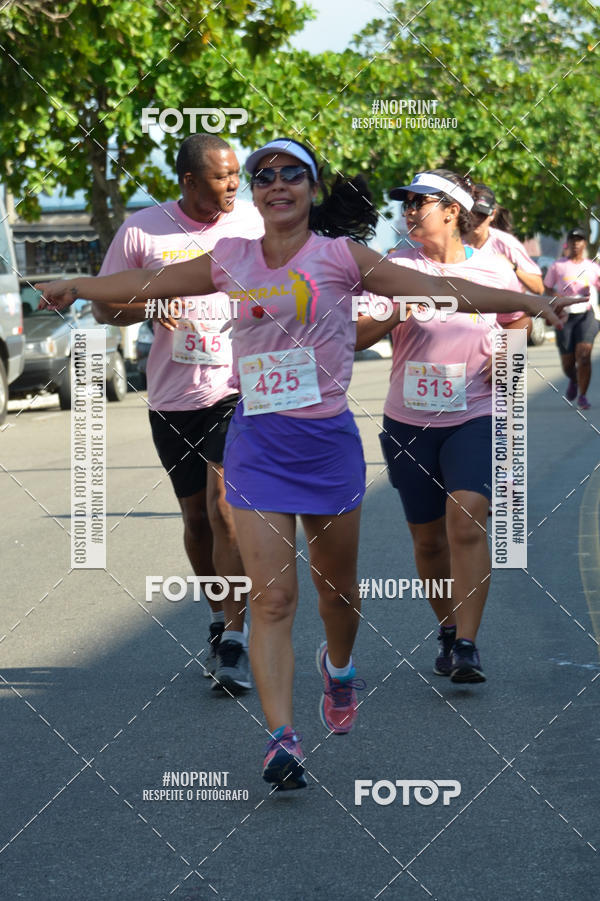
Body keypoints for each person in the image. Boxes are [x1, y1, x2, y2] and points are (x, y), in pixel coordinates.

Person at [37, 141, 570, 791]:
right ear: (257, 194)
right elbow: (146, 284)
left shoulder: (342, 257)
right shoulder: (231, 257)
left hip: (327, 447)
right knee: (275, 596)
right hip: (257, 444)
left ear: (313, 190)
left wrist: (527, 302)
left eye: (293, 174)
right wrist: (79, 285)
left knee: (336, 595)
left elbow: (439, 287)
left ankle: (339, 668)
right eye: (265, 176)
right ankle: (282, 737)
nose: (276, 183)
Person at [92, 133, 264, 692]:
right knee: (195, 519)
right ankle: (218, 622)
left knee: (225, 507)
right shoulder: (143, 229)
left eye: (238, 174)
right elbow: (104, 306)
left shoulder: (252, 226)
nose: (235, 184)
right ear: (189, 182)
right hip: (171, 397)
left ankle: (238, 639)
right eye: (222, 176)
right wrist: (149, 304)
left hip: (237, 388)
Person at [356, 169, 532, 684]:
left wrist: (507, 356)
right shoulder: (393, 268)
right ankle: (450, 631)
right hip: (408, 421)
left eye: (419, 203)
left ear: (452, 211)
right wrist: (400, 310)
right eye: (405, 204)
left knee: (468, 516)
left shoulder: (494, 269)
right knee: (429, 540)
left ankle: (470, 646)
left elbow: (519, 319)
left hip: (476, 413)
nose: (408, 211)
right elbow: (357, 337)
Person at [544, 227, 600, 409]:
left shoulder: (592, 267)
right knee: (568, 362)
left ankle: (583, 395)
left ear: (584, 243)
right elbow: (548, 289)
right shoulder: (557, 266)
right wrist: (558, 299)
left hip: (587, 315)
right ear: (568, 243)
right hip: (565, 316)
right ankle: (573, 379)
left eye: (580, 240)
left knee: (584, 356)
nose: (576, 243)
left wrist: (590, 291)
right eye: (573, 240)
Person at [466, 183, 544, 300]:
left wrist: (512, 268)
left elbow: (539, 288)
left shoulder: (506, 244)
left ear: (492, 215)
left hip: (502, 315)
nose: (477, 220)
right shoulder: (453, 241)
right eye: (474, 213)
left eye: (482, 215)